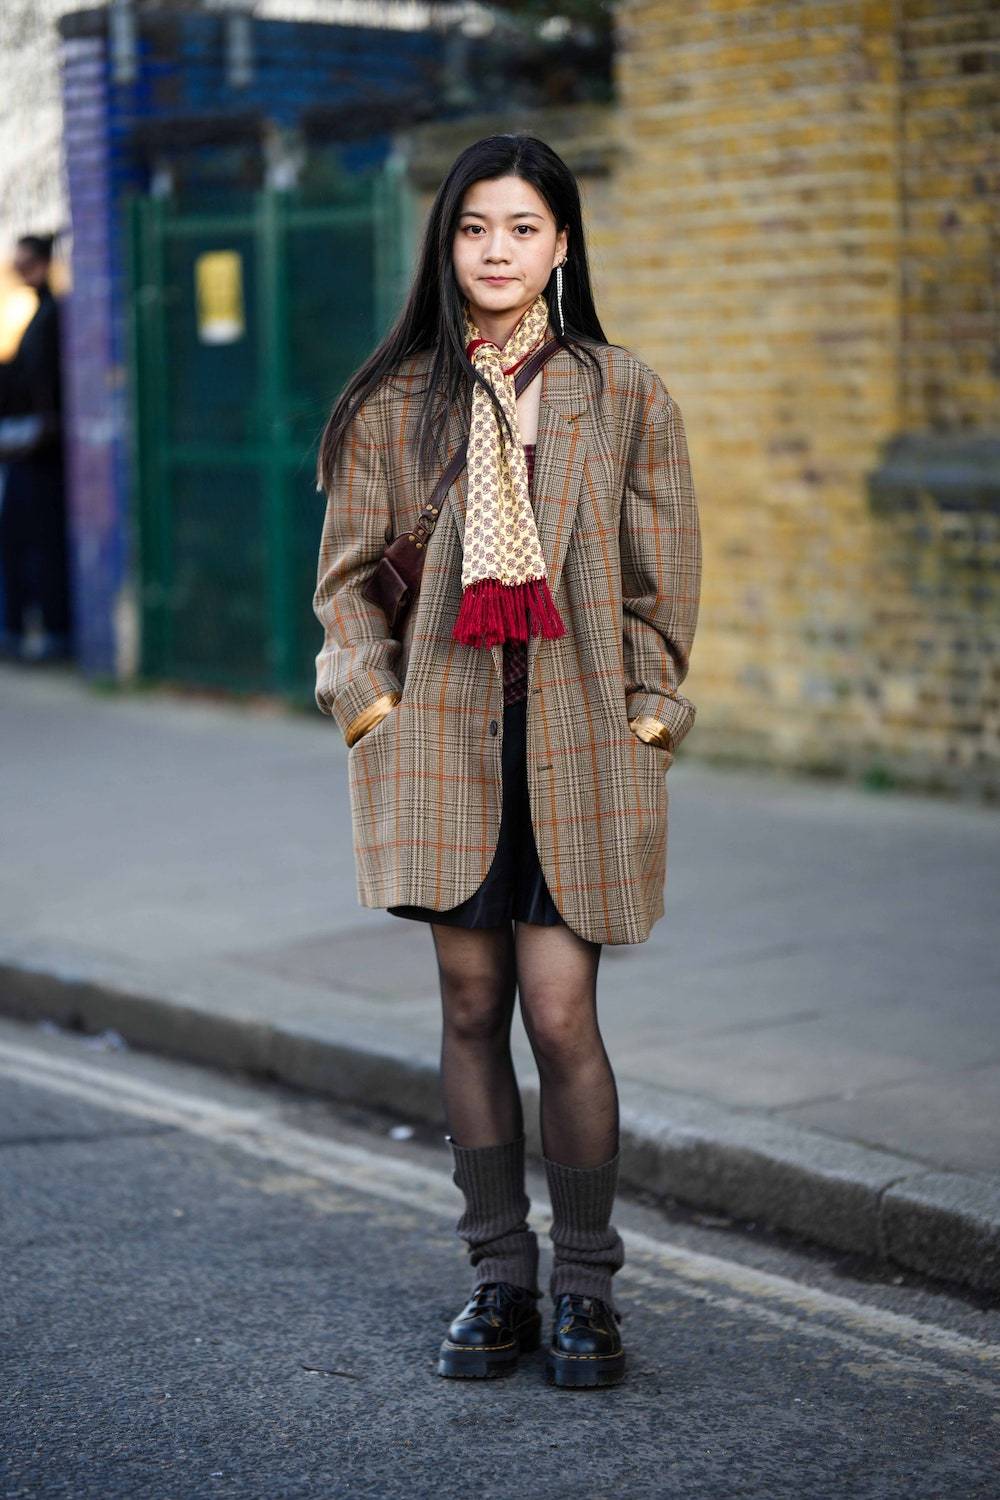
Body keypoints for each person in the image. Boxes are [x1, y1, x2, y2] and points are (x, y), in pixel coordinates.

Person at [313, 134, 701, 1389]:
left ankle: (586, 1290)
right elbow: (344, 589)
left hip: (583, 748)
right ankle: (497, 1281)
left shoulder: (622, 392)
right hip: (445, 755)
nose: (496, 250)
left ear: (562, 244)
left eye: (522, 228)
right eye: (476, 227)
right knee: (471, 1010)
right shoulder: (391, 404)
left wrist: (651, 713)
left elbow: (661, 582)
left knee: (560, 1012)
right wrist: (373, 706)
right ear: (448, 242)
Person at [0, 233, 72, 663]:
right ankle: (30, 628)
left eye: (28, 262)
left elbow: (45, 391)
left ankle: (51, 631)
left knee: (36, 542)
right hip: (36, 450)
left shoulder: (50, 315)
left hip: (43, 455)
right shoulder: (39, 314)